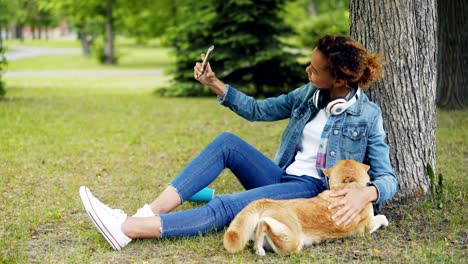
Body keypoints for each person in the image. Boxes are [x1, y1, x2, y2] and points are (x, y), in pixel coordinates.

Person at [79, 35, 398, 251]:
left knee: (230, 205)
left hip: (312, 190)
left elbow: (388, 178)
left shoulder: (367, 116)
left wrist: (365, 194)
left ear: (340, 80)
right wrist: (214, 83)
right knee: (227, 143)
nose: (307, 71)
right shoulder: (308, 95)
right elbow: (259, 110)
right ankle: (141, 213)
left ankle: (127, 229)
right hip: (282, 176)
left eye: (314, 69)